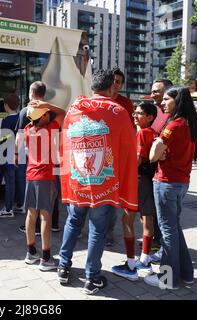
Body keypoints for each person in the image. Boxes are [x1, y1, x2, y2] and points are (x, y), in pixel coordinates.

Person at [57, 69, 138, 295]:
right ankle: (92, 278)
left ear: (92, 86)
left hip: (78, 181)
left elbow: (65, 145)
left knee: (73, 223)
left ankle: (63, 266)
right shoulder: (118, 112)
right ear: (112, 86)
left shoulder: (73, 110)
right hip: (105, 184)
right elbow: (130, 147)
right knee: (97, 230)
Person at [145, 87, 197, 290]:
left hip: (166, 182)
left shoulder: (175, 125)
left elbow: (153, 155)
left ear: (177, 102)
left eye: (167, 99)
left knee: (168, 231)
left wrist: (158, 142)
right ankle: (186, 274)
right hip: (181, 182)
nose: (163, 103)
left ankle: (168, 279)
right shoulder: (191, 124)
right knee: (174, 228)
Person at [19, 81, 66, 271]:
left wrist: (39, 108)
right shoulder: (50, 128)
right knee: (46, 216)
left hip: (30, 175)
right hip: (45, 177)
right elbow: (63, 113)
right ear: (43, 117)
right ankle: (46, 258)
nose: (48, 114)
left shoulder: (27, 129)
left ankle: (31, 252)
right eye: (46, 114)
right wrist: (46, 105)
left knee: (31, 214)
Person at [111, 102, 158, 281]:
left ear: (150, 117)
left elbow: (136, 161)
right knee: (147, 219)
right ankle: (145, 259)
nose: (135, 116)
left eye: (139, 113)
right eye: (135, 113)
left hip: (137, 180)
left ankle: (130, 264)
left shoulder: (141, 133)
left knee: (126, 219)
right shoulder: (153, 133)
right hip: (149, 180)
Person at [106, 67, 136, 247]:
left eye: (119, 82)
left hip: (117, 157)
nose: (115, 84)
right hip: (99, 154)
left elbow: (131, 129)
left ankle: (108, 233)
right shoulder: (98, 101)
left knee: (112, 198)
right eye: (113, 81)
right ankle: (78, 227)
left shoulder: (126, 103)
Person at [146, 78, 173, 258]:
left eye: (158, 91)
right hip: (153, 168)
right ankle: (158, 244)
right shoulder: (154, 111)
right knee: (154, 210)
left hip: (166, 173)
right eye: (153, 91)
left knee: (166, 216)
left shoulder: (174, 118)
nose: (154, 94)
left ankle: (167, 255)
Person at [0, 93, 20, 218]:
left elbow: (4, 141)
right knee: (19, 182)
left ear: (6, 106)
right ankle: (20, 205)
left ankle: (8, 209)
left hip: (8, 155)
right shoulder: (21, 118)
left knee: (9, 183)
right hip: (20, 154)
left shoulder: (6, 121)